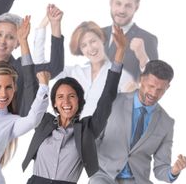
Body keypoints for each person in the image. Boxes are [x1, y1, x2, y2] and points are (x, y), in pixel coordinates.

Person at [21, 25, 127, 184]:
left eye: (71, 96)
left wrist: (120, 51)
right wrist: (23, 41)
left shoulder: (87, 129)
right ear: (55, 103)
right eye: (60, 97)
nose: (66, 102)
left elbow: (107, 97)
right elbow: (30, 87)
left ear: (79, 101)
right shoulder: (44, 123)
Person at [89, 60, 186, 184]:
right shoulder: (114, 102)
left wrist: (173, 171)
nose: (153, 93)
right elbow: (93, 138)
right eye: (151, 86)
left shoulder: (166, 123)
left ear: (167, 87)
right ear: (142, 79)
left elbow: (160, 168)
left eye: (160, 90)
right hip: (104, 176)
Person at [103, 0, 158, 90]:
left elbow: (155, 82)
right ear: (110, 3)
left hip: (125, 103)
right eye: (118, 4)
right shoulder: (97, 34)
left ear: (136, 7)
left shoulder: (148, 39)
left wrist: (143, 57)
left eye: (128, 6)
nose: (122, 10)